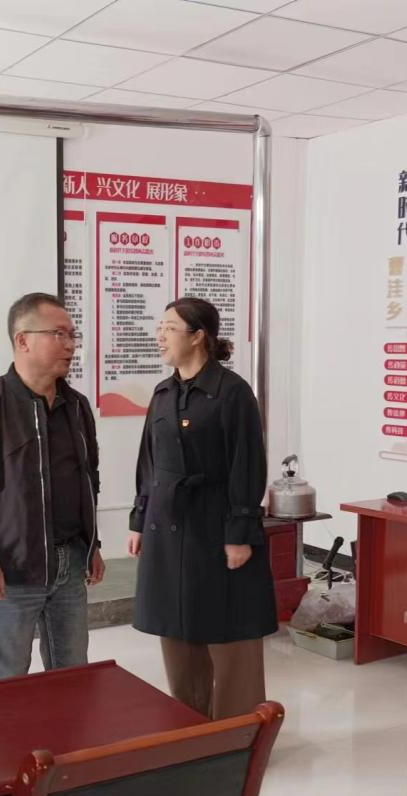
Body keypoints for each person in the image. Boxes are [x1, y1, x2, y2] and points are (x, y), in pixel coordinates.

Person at [127, 297, 277, 720]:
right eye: (160, 327)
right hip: (167, 526)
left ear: (198, 337)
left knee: (230, 631)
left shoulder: (232, 393)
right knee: (178, 629)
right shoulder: (163, 393)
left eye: (169, 328)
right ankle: (189, 724)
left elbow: (247, 465)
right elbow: (148, 463)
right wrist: (139, 519)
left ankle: (240, 731)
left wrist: (240, 533)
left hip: (217, 526)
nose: (160, 336)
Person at [0, 292, 104, 681]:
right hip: (12, 567)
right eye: (58, 334)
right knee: (7, 678)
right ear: (23, 340)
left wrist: (93, 545)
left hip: (70, 564)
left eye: (72, 335)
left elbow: (88, 477)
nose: (70, 345)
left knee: (72, 674)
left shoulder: (76, 406)